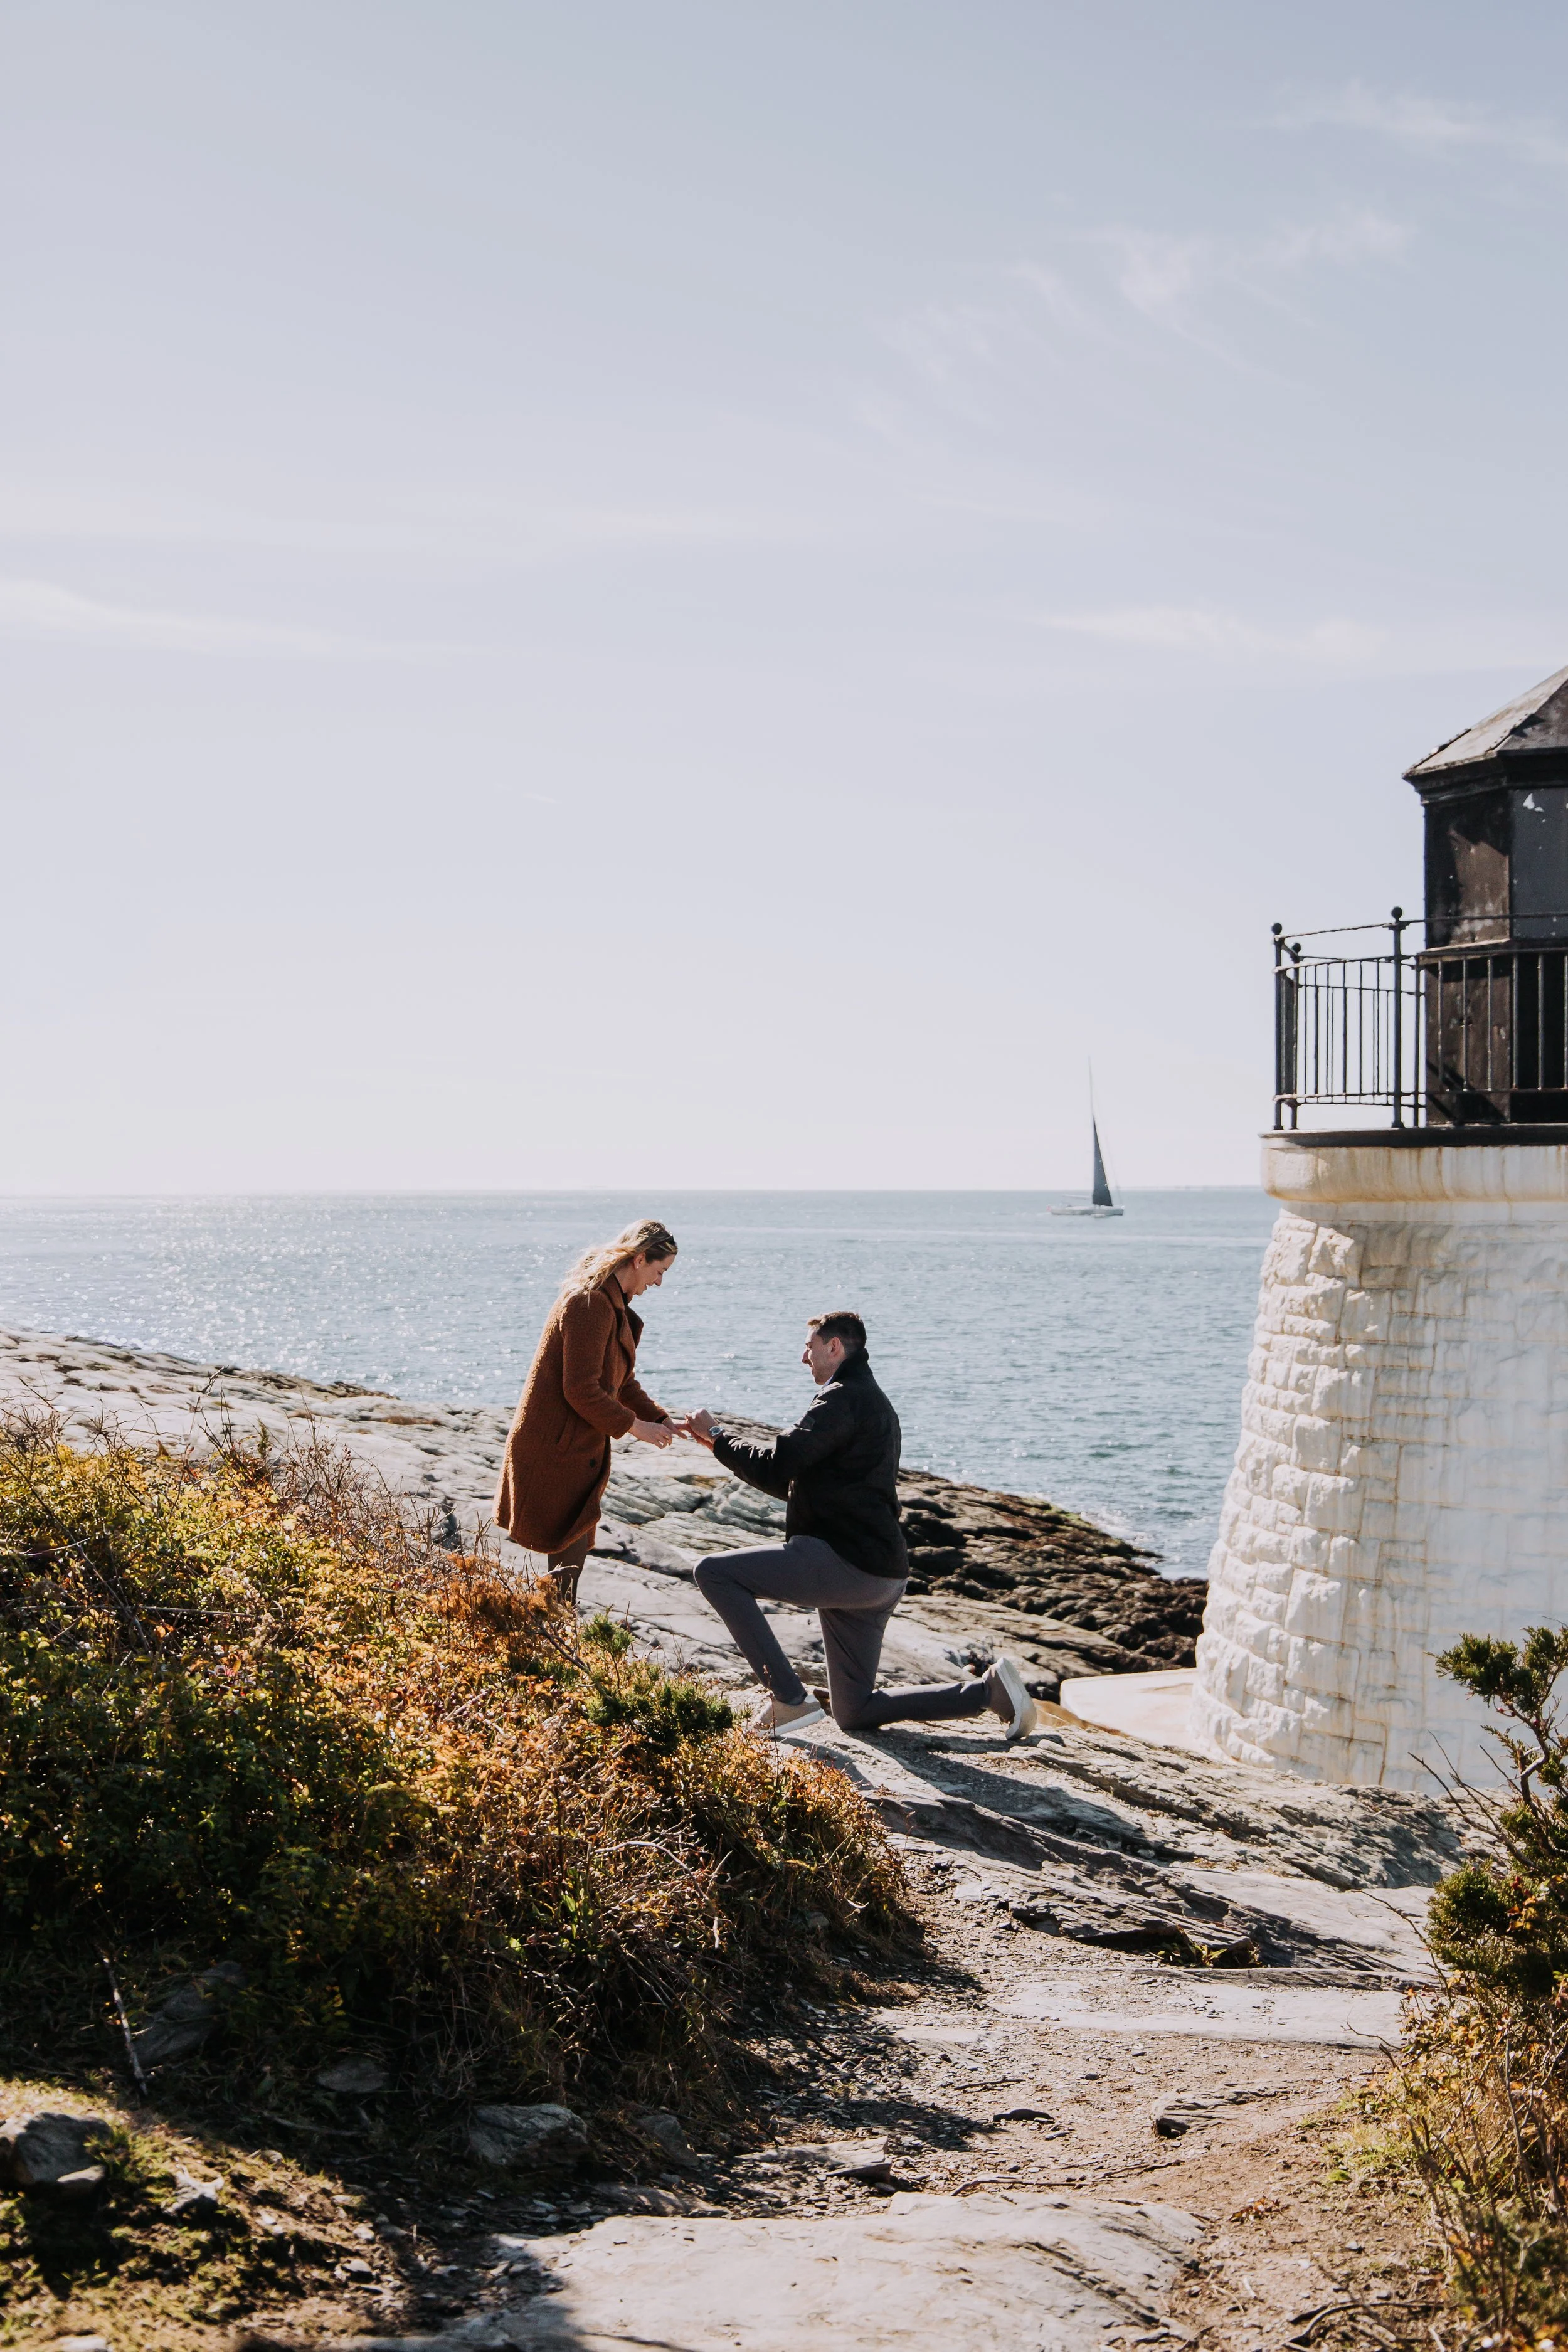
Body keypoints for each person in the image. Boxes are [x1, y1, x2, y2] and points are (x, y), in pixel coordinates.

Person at [683, 1310, 1038, 1740]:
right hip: (880, 1575)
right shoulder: (871, 1401)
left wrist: (720, 1436)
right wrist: (721, 1445)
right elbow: (796, 1481)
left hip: (845, 1564)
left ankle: (789, 1701)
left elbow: (781, 1464)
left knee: (715, 1573)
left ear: (835, 1347)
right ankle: (988, 1692)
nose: (802, 1358)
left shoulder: (843, 1397)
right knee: (854, 1711)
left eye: (809, 1347)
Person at [494, 1218, 678, 1602]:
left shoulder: (609, 1305)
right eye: (660, 1272)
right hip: (555, 1453)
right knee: (564, 1574)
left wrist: (661, 1420)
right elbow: (581, 1390)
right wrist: (635, 1427)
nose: (659, 1283)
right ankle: (551, 1645)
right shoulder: (591, 1303)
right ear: (641, 1259)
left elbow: (621, 1383)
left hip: (574, 1452)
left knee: (566, 1570)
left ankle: (550, 1641)